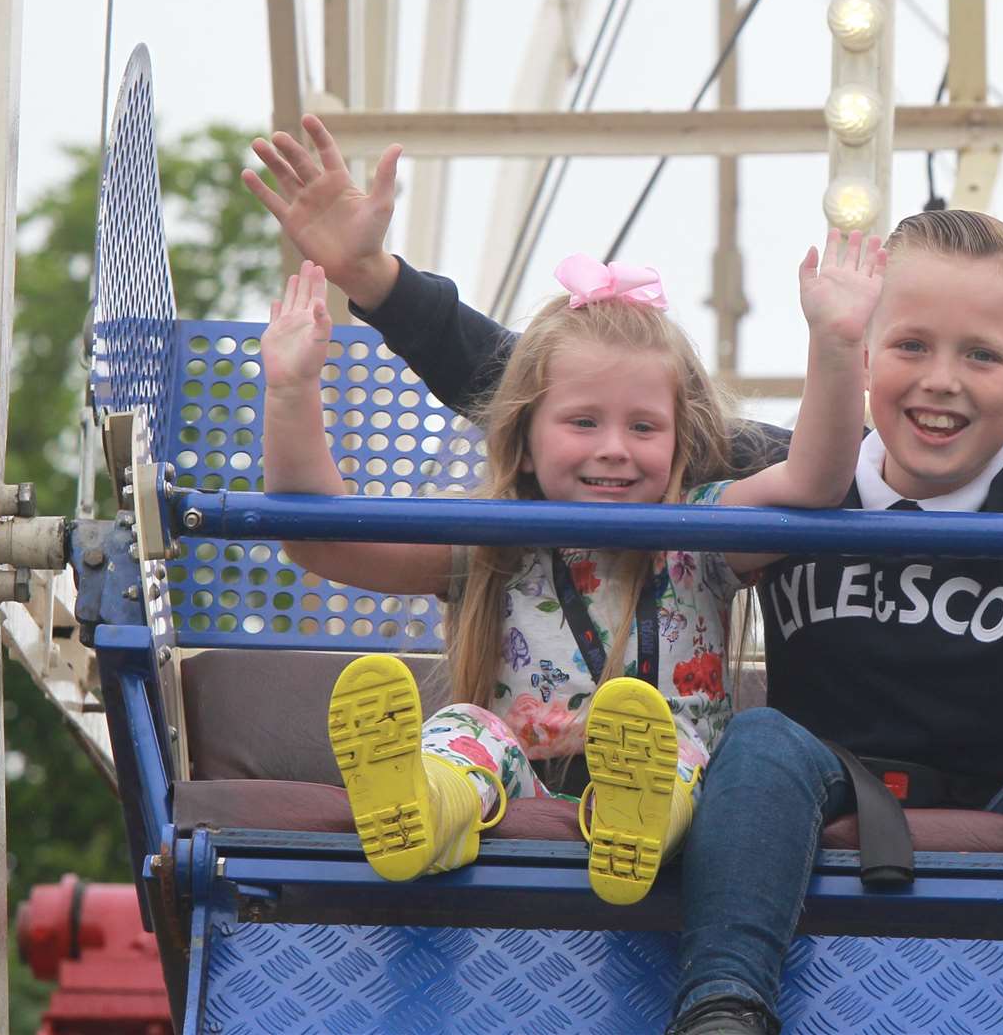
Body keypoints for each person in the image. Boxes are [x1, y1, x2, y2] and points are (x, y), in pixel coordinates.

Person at [246, 115, 1003, 1035]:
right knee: (761, 738)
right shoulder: (784, 476)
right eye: (909, 346)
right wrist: (379, 280)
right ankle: (723, 1000)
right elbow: (562, 396)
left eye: (981, 356)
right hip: (828, 788)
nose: (939, 381)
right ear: (861, 351)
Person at [258, 222, 882, 904]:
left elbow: (815, 482)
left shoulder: (702, 530)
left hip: (678, 782)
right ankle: (428, 806)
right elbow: (324, 541)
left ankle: (644, 818)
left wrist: (837, 345)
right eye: (584, 422)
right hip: (520, 791)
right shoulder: (495, 540)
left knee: (678, 755)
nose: (614, 447)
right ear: (524, 440)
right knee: (466, 731)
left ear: (680, 442)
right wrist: (292, 393)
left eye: (643, 427)